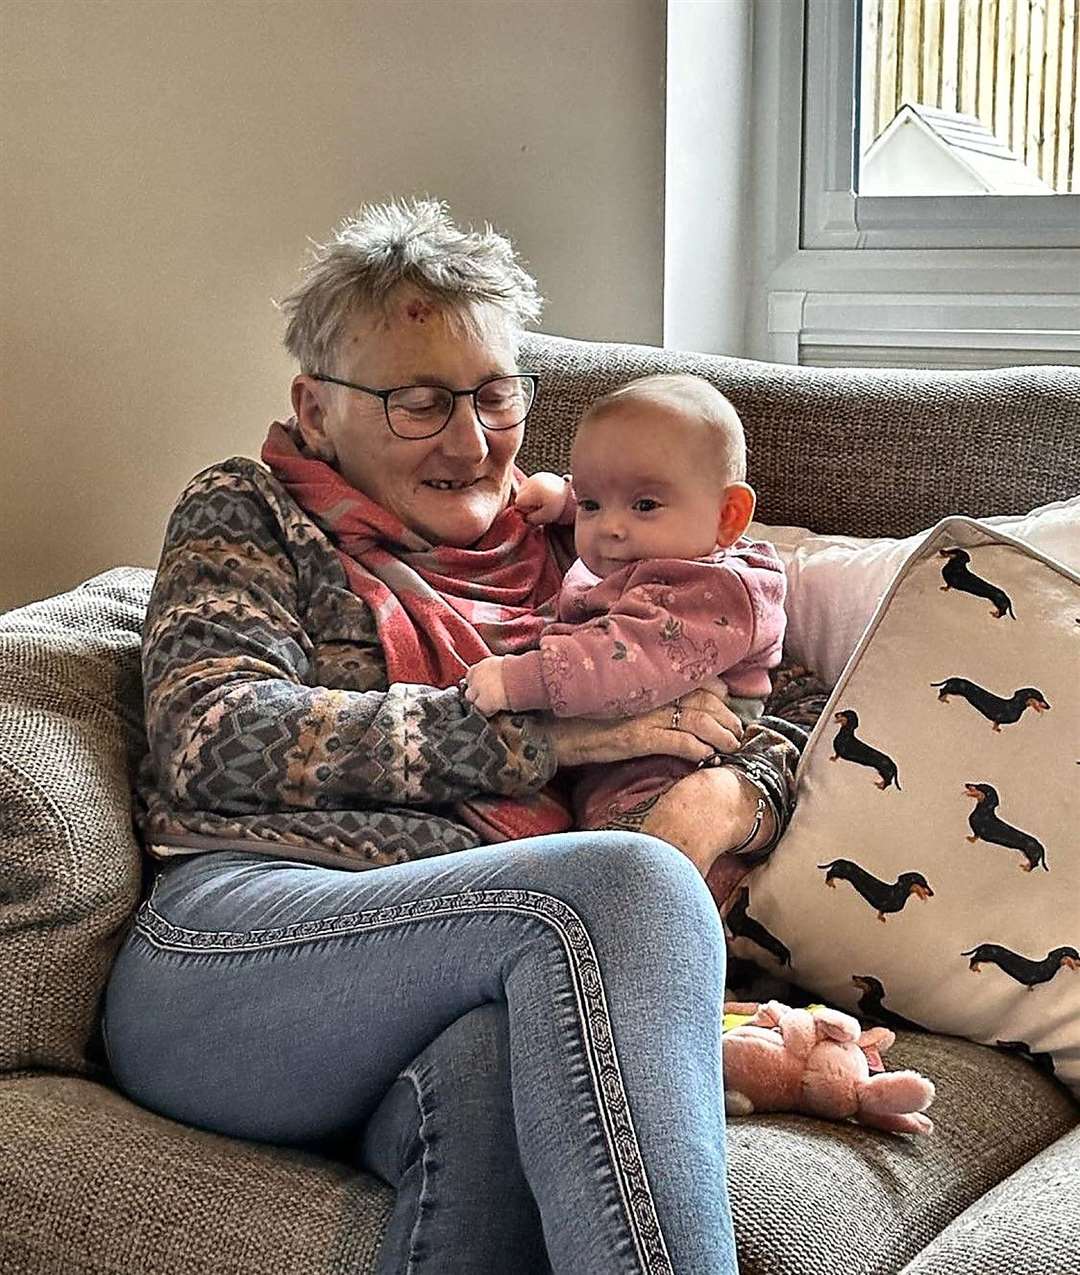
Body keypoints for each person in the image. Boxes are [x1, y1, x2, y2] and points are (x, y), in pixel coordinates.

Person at [102, 197, 809, 1275]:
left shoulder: (585, 537)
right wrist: (549, 740)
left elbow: (786, 700)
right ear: (316, 404)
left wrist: (710, 803)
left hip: (474, 966)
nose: (473, 441)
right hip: (237, 948)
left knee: (501, 1083)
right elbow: (215, 733)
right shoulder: (249, 511)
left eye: (493, 396)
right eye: (421, 403)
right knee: (618, 889)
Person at [462, 373, 787, 906]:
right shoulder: (660, 550)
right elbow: (614, 513)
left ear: (727, 517)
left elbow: (625, 659)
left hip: (674, 774)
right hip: (613, 775)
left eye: (644, 506)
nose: (610, 528)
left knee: (632, 893)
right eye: (594, 503)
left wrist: (522, 679)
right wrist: (565, 504)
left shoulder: (712, 592)